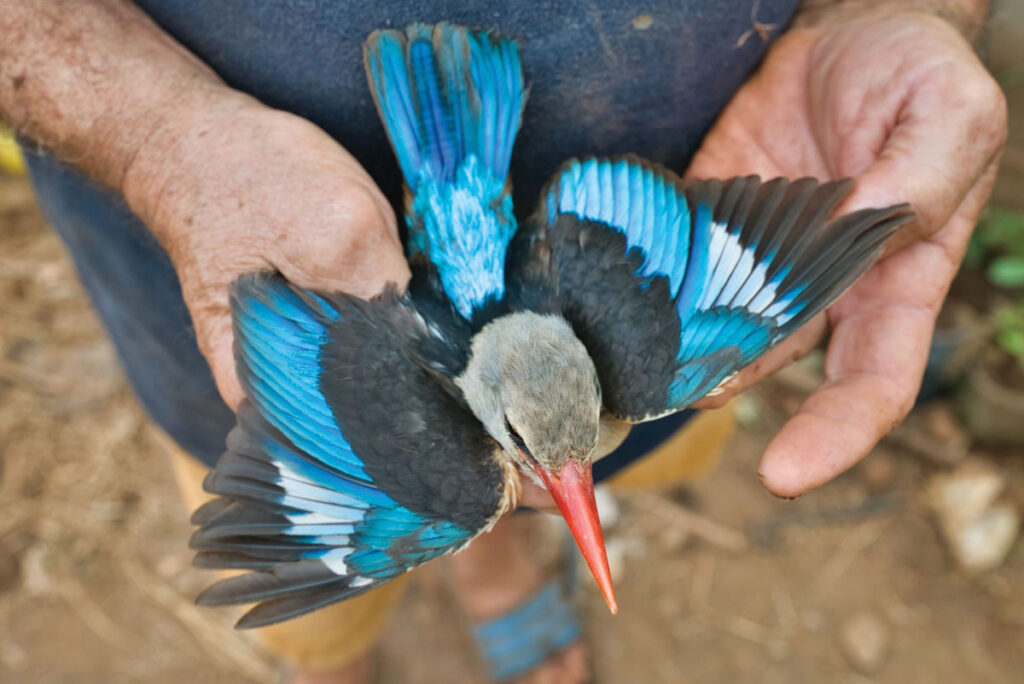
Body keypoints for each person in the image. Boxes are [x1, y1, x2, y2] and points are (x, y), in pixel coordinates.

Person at [0, 1, 1006, 682]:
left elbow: (736, 286)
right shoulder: (644, 363)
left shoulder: (637, 376)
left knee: (538, 464)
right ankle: (335, 646)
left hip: (692, 121)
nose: (550, 476)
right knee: (351, 528)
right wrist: (150, 137)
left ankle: (492, 564)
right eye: (535, 457)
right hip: (214, 198)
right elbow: (740, 283)